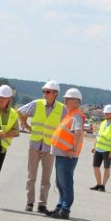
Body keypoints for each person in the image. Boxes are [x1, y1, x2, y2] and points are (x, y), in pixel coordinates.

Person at [16, 79, 64, 213]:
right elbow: (19, 111)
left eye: (47, 92)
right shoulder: (37, 104)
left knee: (46, 178)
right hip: (35, 145)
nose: (45, 94)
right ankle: (29, 203)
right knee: (31, 176)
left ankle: (42, 204)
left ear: (55, 93)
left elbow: (68, 124)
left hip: (50, 147)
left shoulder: (61, 109)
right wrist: (25, 126)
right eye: (44, 91)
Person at [47, 88, 85, 219]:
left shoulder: (76, 115)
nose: (65, 101)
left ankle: (65, 209)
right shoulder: (70, 115)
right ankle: (60, 207)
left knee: (66, 183)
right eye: (65, 99)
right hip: (62, 154)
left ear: (76, 101)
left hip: (68, 156)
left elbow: (79, 133)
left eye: (68, 99)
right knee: (60, 183)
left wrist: (73, 150)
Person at [90, 104, 111, 191]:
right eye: (105, 113)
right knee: (95, 166)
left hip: (108, 150)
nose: (106, 115)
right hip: (98, 148)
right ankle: (98, 184)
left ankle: (103, 186)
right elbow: (98, 136)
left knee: (106, 168)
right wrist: (94, 146)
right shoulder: (103, 123)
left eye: (107, 113)